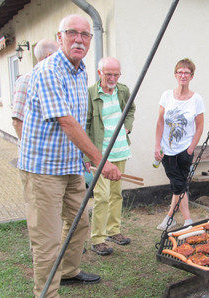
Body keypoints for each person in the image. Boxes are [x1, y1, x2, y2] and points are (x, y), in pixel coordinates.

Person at [17, 14, 121, 297]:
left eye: (85, 34)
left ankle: (69, 272)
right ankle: (46, 293)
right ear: (59, 37)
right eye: (72, 33)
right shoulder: (49, 70)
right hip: (43, 170)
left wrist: (85, 156)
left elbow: (79, 120)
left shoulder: (81, 71)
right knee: (47, 241)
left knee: (80, 224)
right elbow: (66, 121)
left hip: (70, 166)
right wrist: (100, 160)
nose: (79, 39)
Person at [85, 57, 136, 256]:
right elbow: (85, 124)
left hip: (121, 150)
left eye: (116, 74)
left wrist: (127, 126)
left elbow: (130, 109)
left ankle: (113, 230)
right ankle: (97, 238)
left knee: (116, 194)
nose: (112, 78)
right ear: (99, 73)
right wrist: (87, 155)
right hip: (100, 155)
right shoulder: (90, 94)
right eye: (108, 74)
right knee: (102, 196)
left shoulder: (123, 90)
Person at [155, 58, 204, 231]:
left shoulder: (196, 99)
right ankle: (175, 218)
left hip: (185, 150)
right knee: (179, 184)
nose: (183, 75)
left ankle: (181, 219)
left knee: (178, 183)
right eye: (180, 72)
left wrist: (191, 148)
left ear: (192, 76)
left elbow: (199, 127)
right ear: (175, 75)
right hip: (167, 150)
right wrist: (157, 145)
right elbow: (160, 122)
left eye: (187, 73)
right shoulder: (166, 95)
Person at [11, 39, 58, 139]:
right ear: (49, 56)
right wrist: (29, 150)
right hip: (36, 151)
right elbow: (17, 121)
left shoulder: (55, 80)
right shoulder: (26, 80)